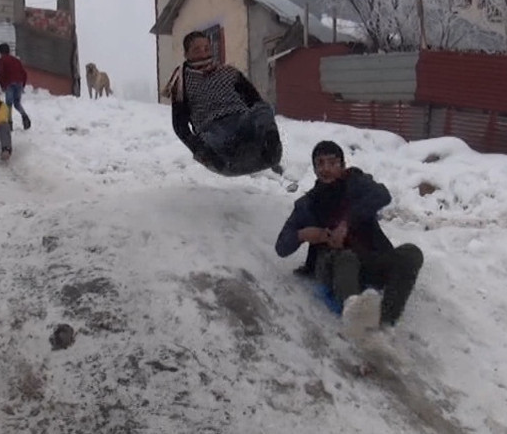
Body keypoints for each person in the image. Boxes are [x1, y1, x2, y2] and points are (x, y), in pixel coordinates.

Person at [274, 141, 423, 327]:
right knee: (346, 258)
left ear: (343, 166)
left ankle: (385, 318)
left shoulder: (356, 184)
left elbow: (383, 195)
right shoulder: (307, 204)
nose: (325, 169)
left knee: (411, 253)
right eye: (320, 163)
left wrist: (347, 222)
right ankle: (354, 314)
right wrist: (304, 235)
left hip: (370, 259)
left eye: (332, 163)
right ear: (314, 169)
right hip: (334, 267)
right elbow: (281, 247)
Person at [167, 30, 283, 176]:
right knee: (213, 143)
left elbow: (255, 101)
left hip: (240, 120)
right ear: (186, 54)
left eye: (207, 48)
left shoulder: (228, 73)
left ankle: (271, 152)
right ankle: (228, 161)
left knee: (264, 109)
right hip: (212, 129)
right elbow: (180, 124)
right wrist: (197, 148)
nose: (203, 53)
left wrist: (263, 125)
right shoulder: (181, 82)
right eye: (197, 50)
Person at [0, 43, 31, 131]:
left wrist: (2, 85)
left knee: (8, 104)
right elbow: (24, 73)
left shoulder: (2, 60)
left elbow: (1, 73)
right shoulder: (16, 60)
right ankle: (24, 116)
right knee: (17, 103)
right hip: (19, 83)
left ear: (0, 52)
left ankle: (9, 123)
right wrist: (22, 84)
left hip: (9, 84)